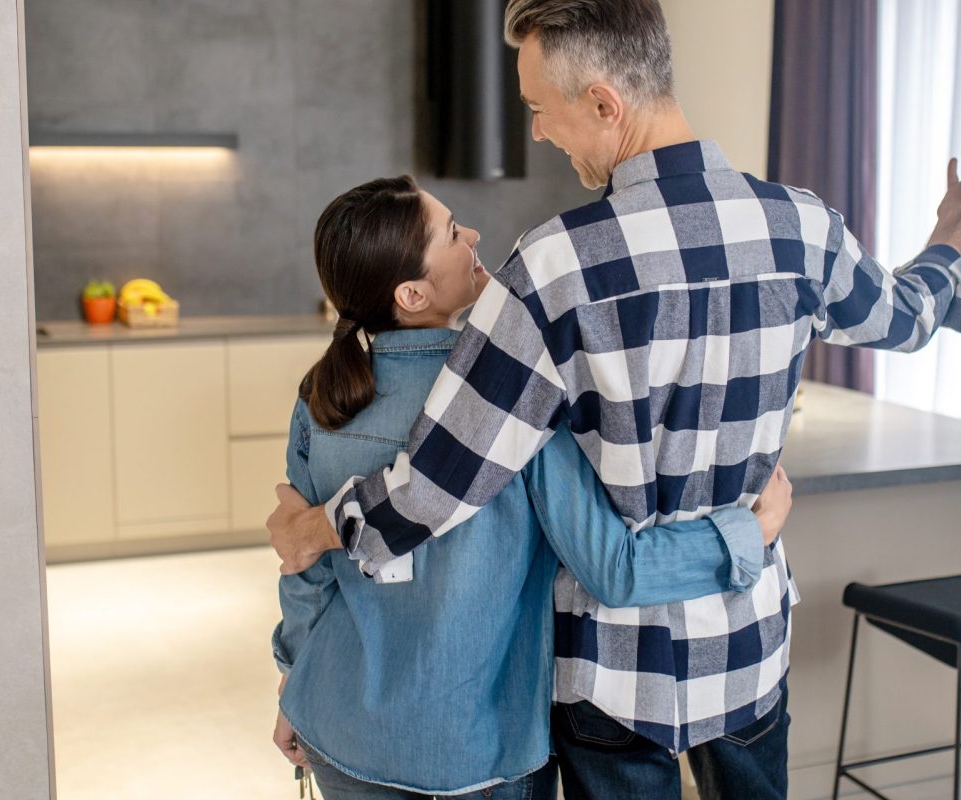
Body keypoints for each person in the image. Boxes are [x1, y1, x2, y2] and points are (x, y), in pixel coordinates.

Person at [268, 1, 961, 797]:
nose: (537, 133)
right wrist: (950, 234)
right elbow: (907, 318)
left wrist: (319, 526)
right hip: (744, 641)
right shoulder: (805, 229)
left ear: (602, 103)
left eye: (539, 110)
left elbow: (444, 477)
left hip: (610, 671)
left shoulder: (552, 267)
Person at [270, 176, 794, 800]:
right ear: (411, 293)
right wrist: (745, 534)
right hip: (477, 757)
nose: (474, 236)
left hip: (336, 728)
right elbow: (615, 569)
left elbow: (305, 570)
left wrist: (292, 684)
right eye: (452, 231)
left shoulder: (323, 397)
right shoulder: (515, 394)